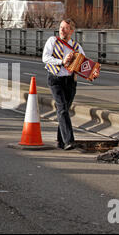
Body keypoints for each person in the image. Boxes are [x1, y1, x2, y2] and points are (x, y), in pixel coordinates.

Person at [42, 18, 99, 150]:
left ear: (71, 31)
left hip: (70, 81)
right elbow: (45, 58)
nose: (62, 30)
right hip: (55, 79)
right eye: (61, 27)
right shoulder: (52, 41)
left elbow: (84, 65)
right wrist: (62, 61)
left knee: (64, 111)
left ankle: (61, 141)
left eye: (65, 28)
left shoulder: (76, 47)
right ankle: (69, 141)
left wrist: (92, 73)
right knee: (61, 108)